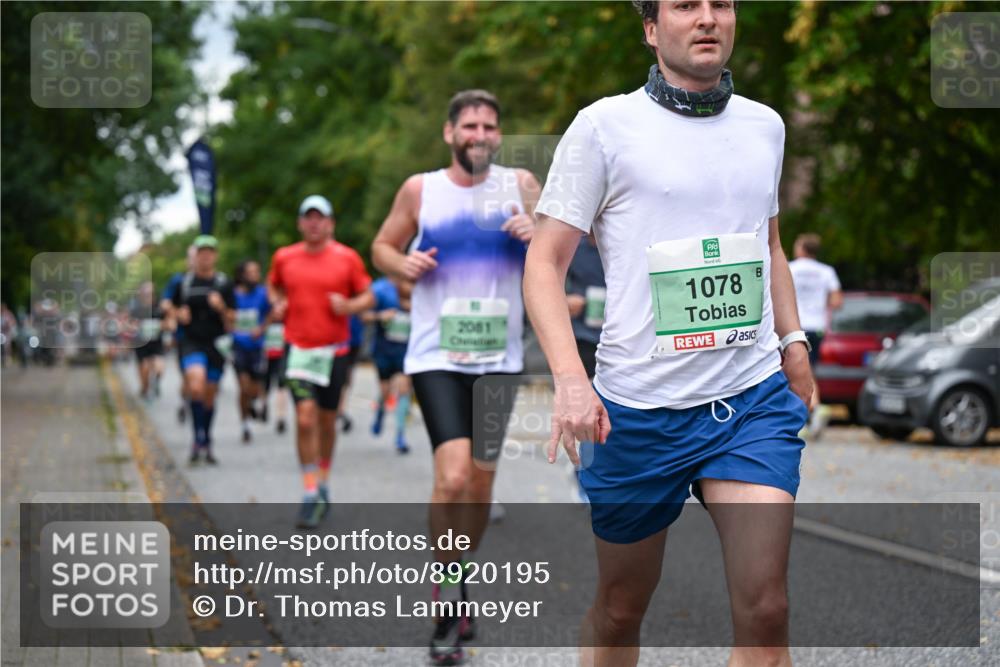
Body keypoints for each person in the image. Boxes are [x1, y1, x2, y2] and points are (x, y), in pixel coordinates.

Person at [523, 2, 812, 666]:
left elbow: (768, 245)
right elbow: (543, 263)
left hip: (748, 400)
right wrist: (571, 380)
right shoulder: (603, 128)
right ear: (652, 29)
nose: (708, 18)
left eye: (721, 4)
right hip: (634, 412)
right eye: (686, 5)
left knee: (767, 608)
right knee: (622, 610)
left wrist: (793, 343)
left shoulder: (765, 127)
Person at [371, 89, 539, 666]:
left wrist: (536, 234)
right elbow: (382, 247)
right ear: (450, 133)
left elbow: (561, 250)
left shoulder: (521, 186)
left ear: (499, 134)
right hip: (436, 354)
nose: (480, 134)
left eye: (490, 125)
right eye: (469, 124)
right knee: (453, 476)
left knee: (481, 484)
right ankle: (446, 596)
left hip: (499, 359)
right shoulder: (421, 189)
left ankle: (461, 579)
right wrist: (403, 263)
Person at [268, 194, 374, 530]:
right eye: (308, 217)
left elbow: (368, 295)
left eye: (320, 217)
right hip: (298, 349)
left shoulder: (347, 258)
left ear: (330, 223)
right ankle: (310, 491)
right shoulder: (284, 257)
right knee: (305, 416)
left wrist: (350, 307)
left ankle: (324, 481)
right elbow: (273, 288)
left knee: (328, 423)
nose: (314, 223)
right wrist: (279, 303)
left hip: (335, 352)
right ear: (300, 223)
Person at [172, 235, 236, 465]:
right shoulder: (183, 283)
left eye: (210, 252)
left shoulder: (223, 284)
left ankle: (205, 438)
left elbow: (233, 318)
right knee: (196, 387)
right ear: (195, 255)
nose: (205, 256)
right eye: (201, 252)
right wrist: (178, 314)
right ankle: (197, 438)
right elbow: (168, 305)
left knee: (209, 395)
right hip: (191, 342)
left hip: (216, 344)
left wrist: (222, 308)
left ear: (215, 256)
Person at [789, 232, 842, 438]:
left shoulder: (789, 268)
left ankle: (813, 409)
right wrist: (818, 305)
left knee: (797, 371)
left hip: (795, 326)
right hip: (817, 326)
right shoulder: (826, 271)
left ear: (801, 248)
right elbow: (837, 301)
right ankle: (812, 412)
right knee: (809, 368)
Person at [364, 275, 414, 453]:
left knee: (403, 390)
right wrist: (380, 316)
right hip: (384, 350)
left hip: (406, 352)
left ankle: (400, 435)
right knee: (385, 392)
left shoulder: (415, 285)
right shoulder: (379, 288)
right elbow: (363, 315)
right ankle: (380, 413)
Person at [232, 260, 273, 443]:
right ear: (242, 275)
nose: (255, 275)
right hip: (238, 346)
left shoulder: (263, 294)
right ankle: (245, 425)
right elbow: (225, 313)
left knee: (255, 390)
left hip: (257, 347)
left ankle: (253, 404)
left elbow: (272, 313)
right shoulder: (233, 295)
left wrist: (262, 328)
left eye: (257, 271)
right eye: (251, 272)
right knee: (243, 386)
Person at [161, 245, 197, 424]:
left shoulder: (217, 280)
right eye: (193, 256)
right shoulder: (179, 281)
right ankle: (185, 401)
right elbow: (165, 304)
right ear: (188, 260)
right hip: (185, 338)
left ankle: (192, 404)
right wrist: (177, 314)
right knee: (189, 377)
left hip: (209, 338)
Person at [130, 282, 165, 401]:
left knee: (159, 368)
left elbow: (170, 323)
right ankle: (145, 389)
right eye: (145, 294)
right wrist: (135, 327)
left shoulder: (160, 308)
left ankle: (155, 383)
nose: (148, 296)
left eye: (150, 294)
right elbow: (129, 325)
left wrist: (161, 325)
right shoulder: (136, 310)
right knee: (144, 369)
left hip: (156, 344)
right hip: (141, 344)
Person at [261, 314, 290, 434]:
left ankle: (281, 417)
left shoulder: (288, 310)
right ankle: (264, 405)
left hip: (282, 354)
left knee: (281, 384)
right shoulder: (266, 305)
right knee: (265, 384)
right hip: (266, 354)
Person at [337, 315, 365, 433]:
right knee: (338, 378)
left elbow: (366, 314)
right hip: (337, 339)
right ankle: (339, 410)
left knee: (347, 379)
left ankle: (341, 410)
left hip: (354, 340)